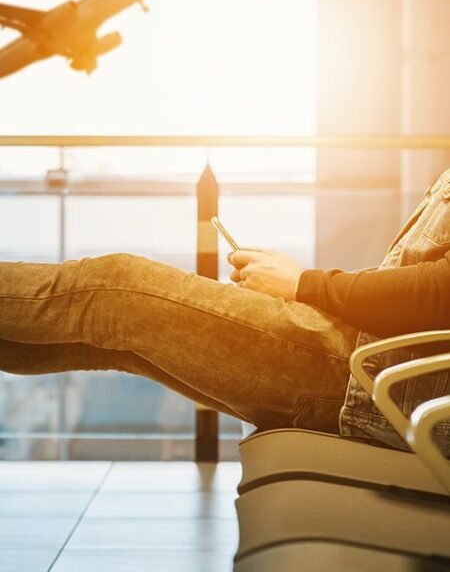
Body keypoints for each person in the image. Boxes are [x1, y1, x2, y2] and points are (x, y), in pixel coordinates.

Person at [0, 169, 449, 449]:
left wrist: (302, 284)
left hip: (369, 377)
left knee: (113, 289)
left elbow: (440, 293)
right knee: (112, 342)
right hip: (375, 368)